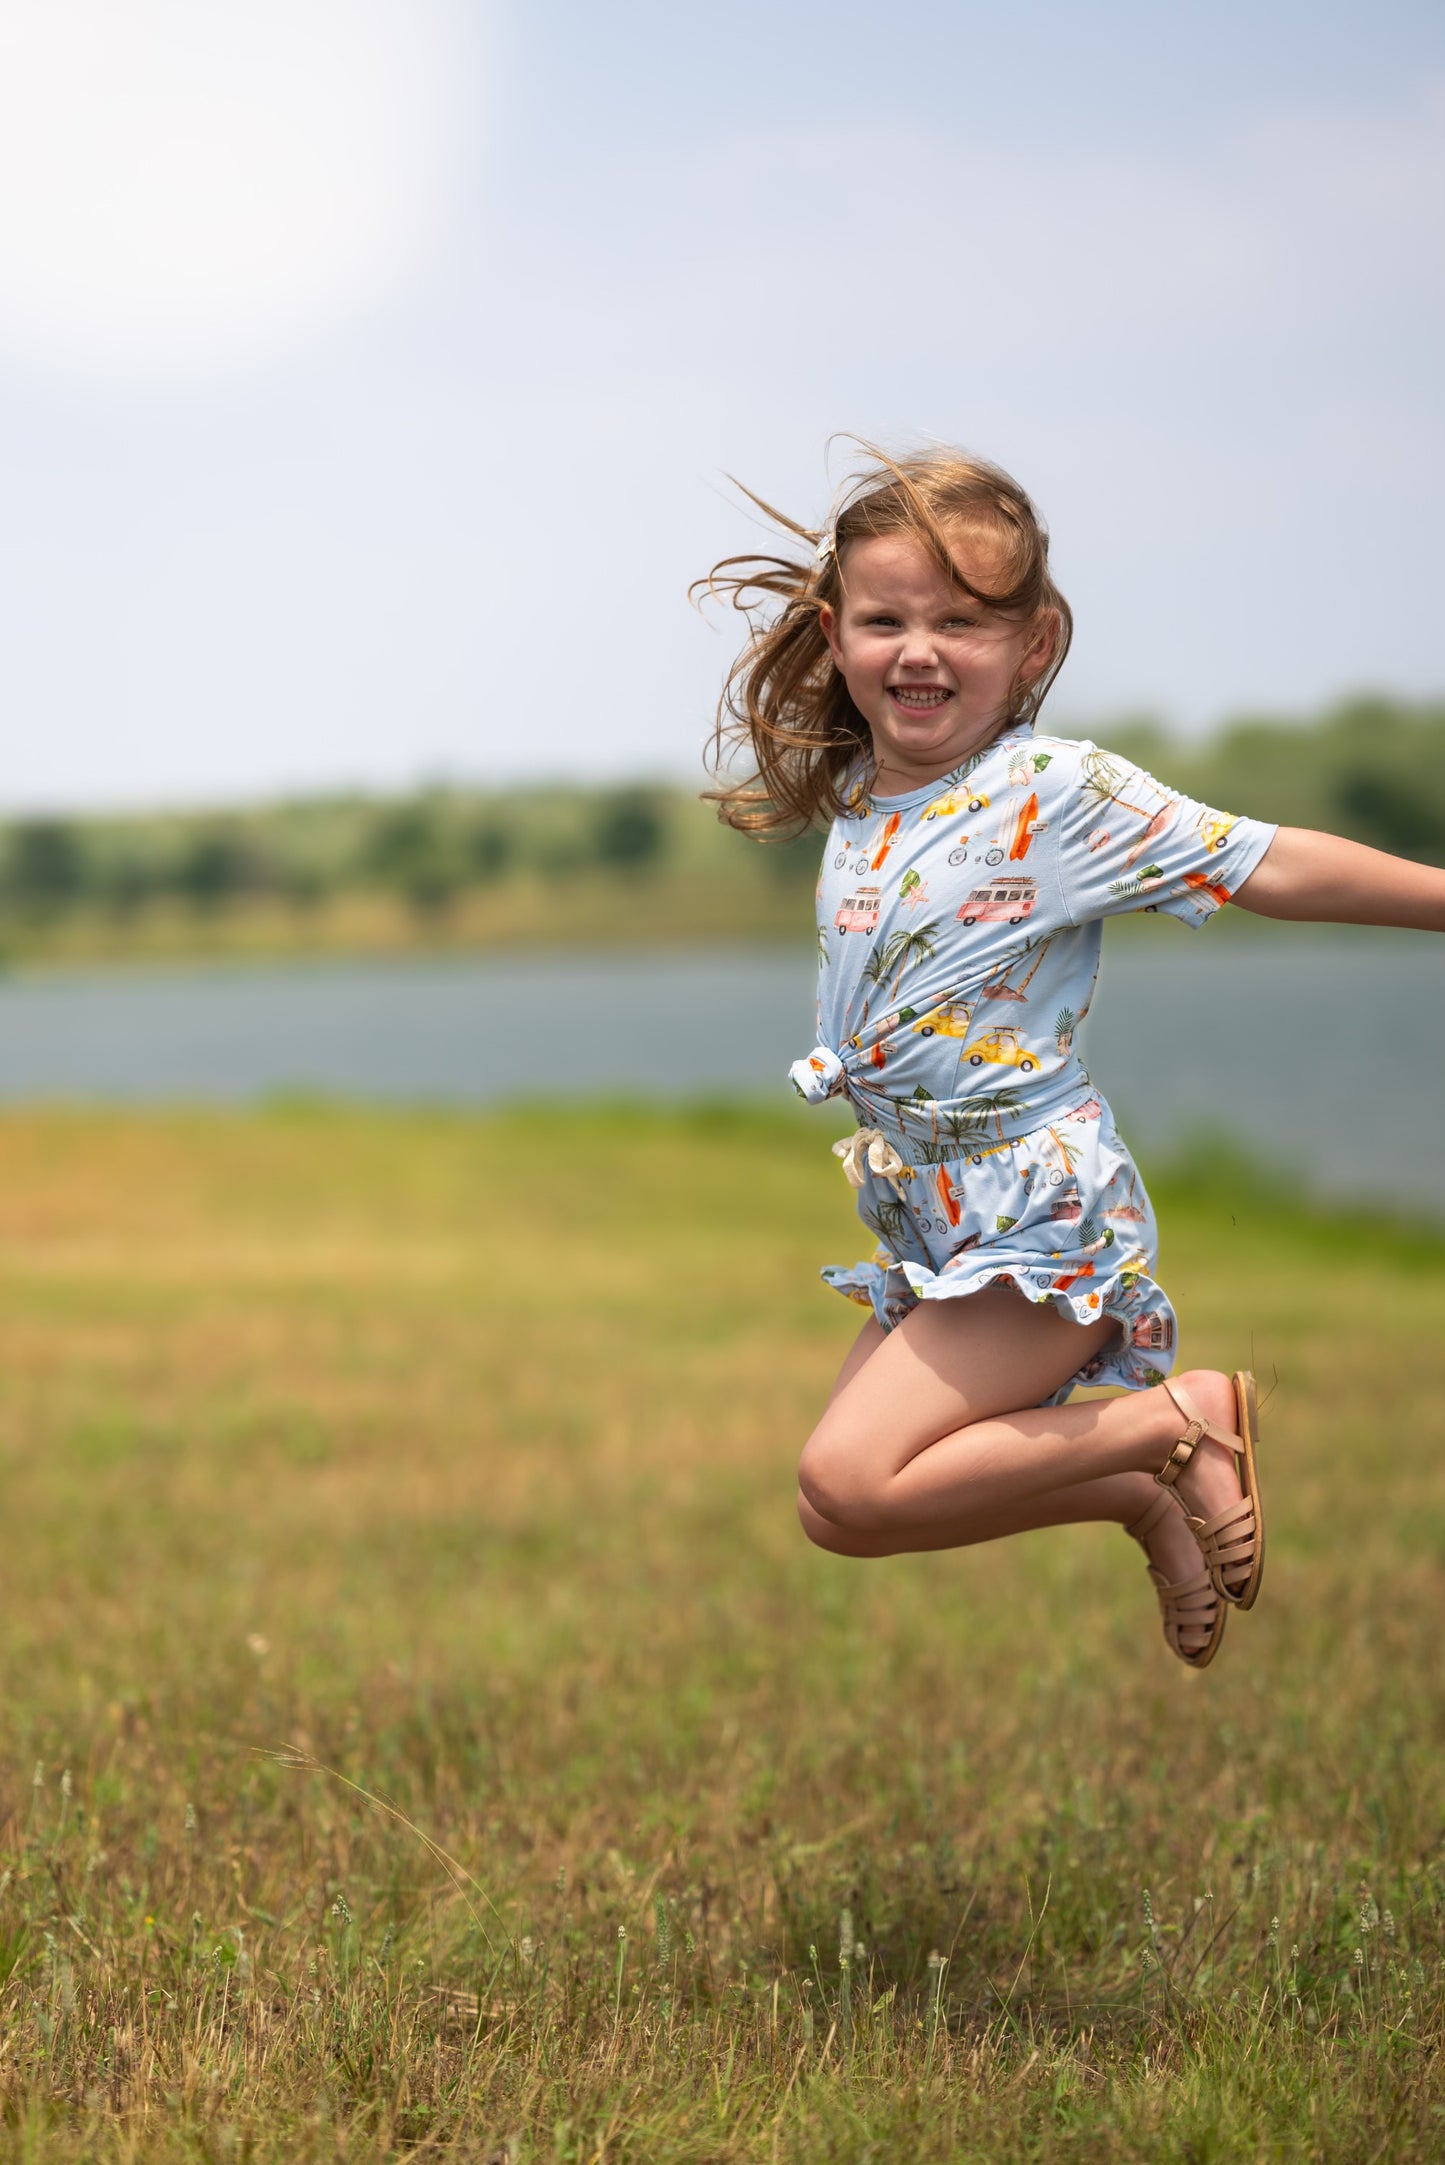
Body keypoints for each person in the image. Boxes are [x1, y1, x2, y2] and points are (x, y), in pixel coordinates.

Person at [698, 446, 1445, 1667]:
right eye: (886, 619)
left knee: (850, 1471)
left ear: (1034, 645)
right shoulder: (860, 799)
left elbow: (1274, 863)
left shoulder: (1053, 791)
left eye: (962, 621)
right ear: (835, 637)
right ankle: (1138, 1487)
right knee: (835, 1510)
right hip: (923, 1213)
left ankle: (1181, 1419)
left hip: (1033, 1211)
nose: (920, 649)